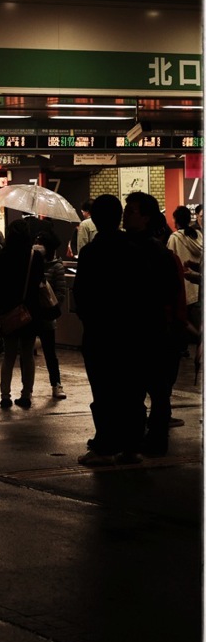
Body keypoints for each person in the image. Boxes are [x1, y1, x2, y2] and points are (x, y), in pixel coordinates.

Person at [74, 194, 147, 465]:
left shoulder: (92, 252)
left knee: (103, 390)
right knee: (130, 389)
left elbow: (81, 294)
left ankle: (105, 445)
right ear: (119, 218)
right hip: (130, 333)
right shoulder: (134, 249)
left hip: (100, 333)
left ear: (93, 218)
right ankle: (132, 445)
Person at [122, 191, 188, 457]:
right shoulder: (138, 249)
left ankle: (149, 438)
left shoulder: (156, 254)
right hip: (144, 331)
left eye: (131, 211)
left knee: (153, 391)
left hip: (153, 332)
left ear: (147, 218)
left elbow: (172, 295)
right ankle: (148, 439)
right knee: (145, 391)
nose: (125, 215)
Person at [0, 218, 44, 409]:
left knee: (9, 355)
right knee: (27, 354)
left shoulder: (4, 256)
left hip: (9, 312)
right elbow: (40, 284)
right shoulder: (35, 257)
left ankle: (5, 395)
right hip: (30, 312)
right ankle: (26, 394)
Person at [34, 227, 67, 399]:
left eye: (40, 243)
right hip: (31, 312)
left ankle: (56, 384)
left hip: (46, 314)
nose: (37, 246)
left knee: (49, 352)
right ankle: (27, 389)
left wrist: (53, 308)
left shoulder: (56, 266)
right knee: (27, 351)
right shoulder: (31, 262)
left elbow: (61, 292)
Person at [167, 205, 203, 330]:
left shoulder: (175, 237)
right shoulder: (198, 234)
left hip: (185, 284)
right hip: (199, 285)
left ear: (176, 220)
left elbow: (170, 261)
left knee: (183, 320)